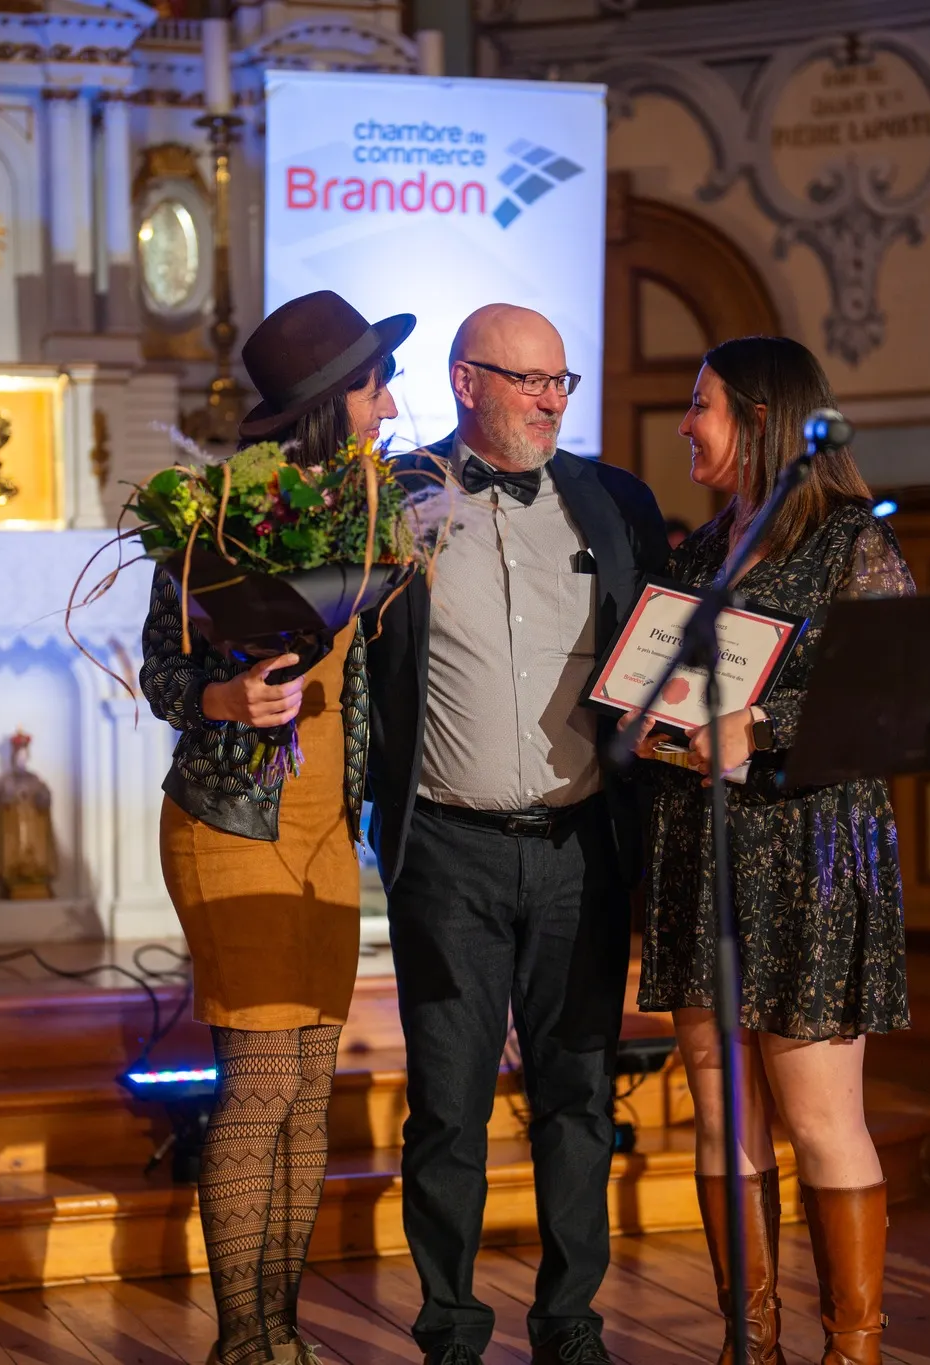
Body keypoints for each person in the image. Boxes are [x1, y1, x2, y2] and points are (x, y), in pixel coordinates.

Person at [363, 304, 668, 1365]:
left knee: (576, 1096)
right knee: (447, 1106)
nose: (550, 402)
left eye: (559, 382)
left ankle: (569, 1322)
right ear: (465, 382)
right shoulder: (395, 498)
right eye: (528, 381)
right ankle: (449, 1327)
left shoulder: (614, 501)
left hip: (582, 846)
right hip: (448, 850)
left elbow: (661, 646)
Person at [141, 290, 411, 1365]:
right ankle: (245, 1343)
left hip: (325, 830)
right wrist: (224, 697)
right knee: (257, 1085)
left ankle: (280, 1337)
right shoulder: (213, 515)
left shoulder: (376, 510)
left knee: (306, 1091)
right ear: (329, 401)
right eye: (375, 389)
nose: (390, 408)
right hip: (231, 822)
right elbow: (164, 673)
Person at [632, 335, 913, 1365]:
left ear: (758, 419)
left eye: (698, 405)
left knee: (819, 1115)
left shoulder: (850, 541)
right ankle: (746, 1343)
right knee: (718, 1108)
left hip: (810, 851)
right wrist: (652, 717)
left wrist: (760, 724)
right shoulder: (697, 557)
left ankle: (853, 1351)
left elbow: (889, 699)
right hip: (699, 845)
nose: (682, 425)